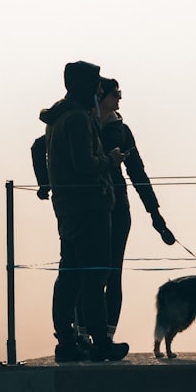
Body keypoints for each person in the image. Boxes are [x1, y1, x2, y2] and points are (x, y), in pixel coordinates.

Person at [33, 77, 176, 342]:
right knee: (87, 273)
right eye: (115, 93)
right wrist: (46, 183)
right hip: (91, 206)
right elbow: (39, 148)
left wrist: (156, 216)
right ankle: (87, 334)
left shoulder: (118, 129)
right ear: (101, 97)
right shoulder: (80, 123)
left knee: (107, 272)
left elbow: (138, 173)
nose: (120, 98)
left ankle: (102, 334)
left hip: (113, 207)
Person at [37, 61, 130, 363]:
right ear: (87, 87)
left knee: (71, 275)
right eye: (98, 85)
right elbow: (84, 165)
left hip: (69, 208)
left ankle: (67, 341)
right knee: (93, 274)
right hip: (89, 208)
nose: (101, 90)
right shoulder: (77, 119)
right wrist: (111, 160)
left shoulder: (59, 117)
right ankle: (100, 342)